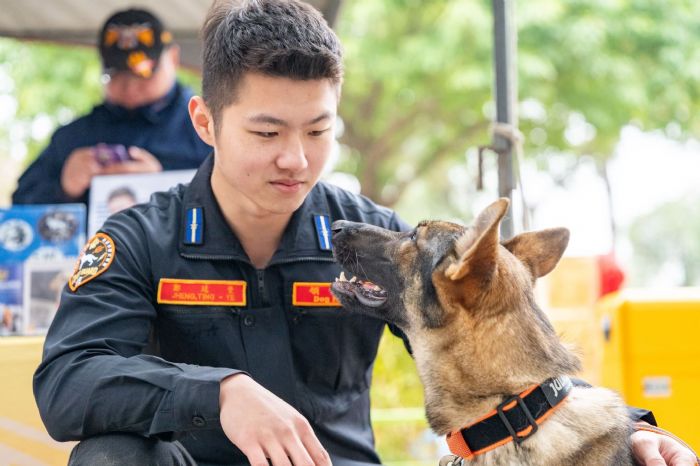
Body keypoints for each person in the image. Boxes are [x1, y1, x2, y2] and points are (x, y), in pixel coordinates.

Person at [33, 1, 698, 465]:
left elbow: (496, 350)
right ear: (205, 122)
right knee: (108, 455)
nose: (295, 159)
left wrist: (623, 433)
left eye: (318, 131)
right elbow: (66, 383)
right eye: (266, 132)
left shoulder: (376, 241)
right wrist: (218, 393)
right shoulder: (139, 239)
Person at [12, 8, 211, 208]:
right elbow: (19, 208)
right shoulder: (75, 137)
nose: (130, 86)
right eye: (117, 74)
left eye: (143, 73)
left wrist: (163, 184)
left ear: (173, 58)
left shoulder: (207, 127)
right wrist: (64, 188)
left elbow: (236, 198)